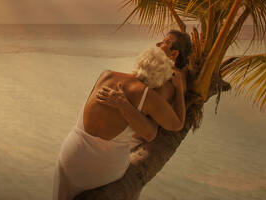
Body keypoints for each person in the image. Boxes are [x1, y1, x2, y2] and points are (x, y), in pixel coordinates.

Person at [53, 30, 192, 200]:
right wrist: (178, 91)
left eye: (163, 41)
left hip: (69, 156)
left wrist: (123, 104)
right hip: (104, 166)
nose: (157, 43)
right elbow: (166, 128)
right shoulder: (150, 94)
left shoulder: (107, 75)